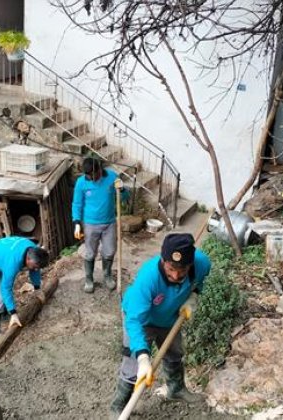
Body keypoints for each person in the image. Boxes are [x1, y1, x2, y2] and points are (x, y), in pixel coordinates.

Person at [109, 233, 211, 418]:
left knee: (174, 353)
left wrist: (194, 295)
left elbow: (199, 281)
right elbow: (134, 321)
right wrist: (143, 357)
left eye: (182, 270)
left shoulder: (202, 263)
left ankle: (176, 389)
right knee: (133, 365)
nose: (175, 275)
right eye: (171, 268)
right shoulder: (148, 279)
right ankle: (119, 406)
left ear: (191, 264)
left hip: (169, 319)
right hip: (141, 319)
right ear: (163, 260)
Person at [0, 236, 50, 335]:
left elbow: (35, 270)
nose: (36, 269)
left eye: (38, 267)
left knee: (4, 288)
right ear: (28, 259)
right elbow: (6, 288)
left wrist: (37, 288)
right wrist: (14, 313)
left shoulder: (34, 250)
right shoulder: (13, 263)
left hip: (0, 256)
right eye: (35, 267)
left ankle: (5, 314)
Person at [72, 156, 126, 293]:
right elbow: (77, 204)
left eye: (93, 175)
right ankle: (89, 279)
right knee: (90, 253)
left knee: (109, 251)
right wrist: (77, 222)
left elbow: (125, 197)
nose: (91, 178)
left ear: (99, 170)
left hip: (109, 223)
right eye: (88, 176)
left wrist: (123, 189)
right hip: (90, 224)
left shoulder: (112, 177)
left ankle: (107, 276)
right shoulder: (81, 182)